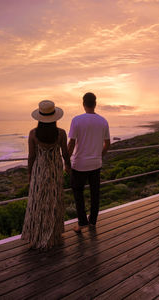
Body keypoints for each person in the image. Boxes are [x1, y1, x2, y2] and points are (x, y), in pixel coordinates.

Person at [21, 100, 71, 250]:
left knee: (38, 202)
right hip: (55, 170)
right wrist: (68, 166)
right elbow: (65, 154)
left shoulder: (33, 134)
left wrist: (30, 173)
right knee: (53, 200)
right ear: (55, 117)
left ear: (39, 117)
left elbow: (31, 156)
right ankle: (53, 236)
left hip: (40, 171)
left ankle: (36, 236)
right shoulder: (61, 133)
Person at [68, 92, 110, 233]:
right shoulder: (103, 121)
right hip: (96, 164)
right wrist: (99, 155)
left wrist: (67, 162)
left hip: (79, 164)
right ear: (95, 103)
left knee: (78, 192)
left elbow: (71, 143)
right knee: (95, 193)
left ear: (83, 103)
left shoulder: (77, 120)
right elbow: (108, 143)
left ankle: (82, 223)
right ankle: (92, 222)